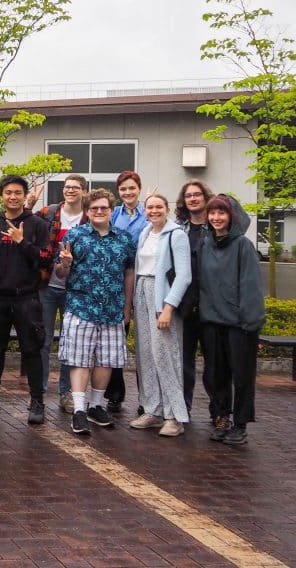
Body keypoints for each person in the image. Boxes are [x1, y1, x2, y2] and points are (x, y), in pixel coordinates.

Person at [54, 188, 136, 436]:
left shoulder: (124, 239)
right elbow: (60, 272)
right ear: (87, 211)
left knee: (106, 360)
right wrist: (65, 263)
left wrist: (127, 306)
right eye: (94, 208)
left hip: (112, 309)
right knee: (79, 360)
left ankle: (96, 405)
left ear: (111, 210)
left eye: (103, 208)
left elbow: (129, 273)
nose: (99, 212)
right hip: (81, 307)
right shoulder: (75, 236)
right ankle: (79, 409)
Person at [0, 175, 49, 425]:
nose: (13, 197)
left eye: (17, 192)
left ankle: (37, 401)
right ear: (2, 195)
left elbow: (44, 258)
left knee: (32, 350)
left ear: (24, 195)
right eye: (8, 193)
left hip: (26, 297)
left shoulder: (37, 224)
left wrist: (22, 242)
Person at [199, 195, 265, 445]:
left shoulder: (243, 246)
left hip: (240, 325)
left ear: (232, 216)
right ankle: (221, 417)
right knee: (215, 374)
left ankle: (240, 424)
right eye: (212, 213)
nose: (216, 218)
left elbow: (252, 287)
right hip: (211, 322)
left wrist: (251, 323)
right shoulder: (205, 244)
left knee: (242, 376)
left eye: (221, 213)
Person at [129, 194, 192, 437]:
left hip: (161, 295)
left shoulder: (176, 235)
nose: (154, 211)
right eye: (150, 207)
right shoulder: (146, 233)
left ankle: (175, 416)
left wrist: (168, 306)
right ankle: (153, 409)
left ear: (167, 209)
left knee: (165, 355)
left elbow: (184, 275)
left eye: (159, 207)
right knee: (145, 354)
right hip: (142, 292)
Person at [36, 175, 89, 414]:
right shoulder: (48, 212)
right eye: (67, 187)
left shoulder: (89, 217)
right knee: (43, 341)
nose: (70, 191)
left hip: (75, 289)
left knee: (70, 343)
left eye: (75, 188)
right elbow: (26, 227)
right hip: (48, 285)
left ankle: (66, 393)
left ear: (84, 191)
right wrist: (28, 204)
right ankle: (39, 391)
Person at [105, 170, 149, 414]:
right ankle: (115, 395)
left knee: (145, 347)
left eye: (131, 188)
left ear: (139, 189)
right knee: (115, 343)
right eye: (123, 189)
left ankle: (148, 399)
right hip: (118, 285)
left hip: (145, 283)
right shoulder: (114, 216)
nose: (128, 193)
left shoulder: (149, 214)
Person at [174, 179, 214, 415]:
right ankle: (183, 409)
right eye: (188, 195)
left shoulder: (219, 227)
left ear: (206, 197)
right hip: (186, 306)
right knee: (184, 363)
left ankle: (218, 412)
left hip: (212, 306)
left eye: (197, 194)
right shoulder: (179, 229)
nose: (193, 198)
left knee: (215, 364)